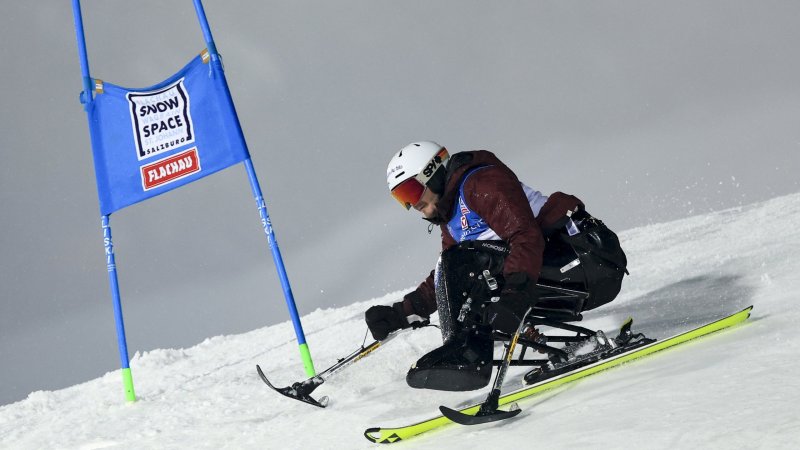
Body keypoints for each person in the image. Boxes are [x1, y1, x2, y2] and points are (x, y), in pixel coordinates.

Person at [365, 141, 628, 390]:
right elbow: (449, 278)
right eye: (402, 199)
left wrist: (514, 296)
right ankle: (462, 349)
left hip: (587, 259)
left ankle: (468, 356)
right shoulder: (452, 219)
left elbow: (526, 236)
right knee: (456, 262)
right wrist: (403, 312)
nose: (413, 205)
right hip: (553, 272)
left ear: (432, 173)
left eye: (410, 192)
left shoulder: (481, 183)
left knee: (464, 260)